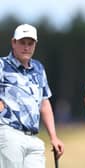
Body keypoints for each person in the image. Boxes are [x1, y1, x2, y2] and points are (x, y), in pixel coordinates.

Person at [0, 24, 64, 168]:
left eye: (30, 43)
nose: (26, 47)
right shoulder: (2, 65)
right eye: (22, 43)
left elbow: (44, 104)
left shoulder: (38, 68)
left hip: (34, 137)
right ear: (13, 42)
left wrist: (53, 137)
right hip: (9, 133)